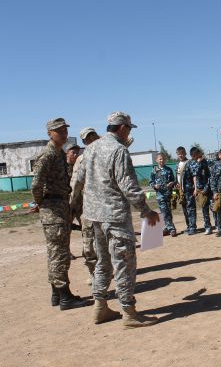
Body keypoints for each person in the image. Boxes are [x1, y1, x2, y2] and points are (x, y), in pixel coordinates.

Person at [73, 112, 160, 328]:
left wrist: (72, 205)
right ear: (122, 127)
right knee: (124, 263)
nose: (129, 133)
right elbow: (128, 186)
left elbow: (78, 180)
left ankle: (100, 307)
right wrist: (146, 210)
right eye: (129, 128)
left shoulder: (90, 148)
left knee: (103, 262)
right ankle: (129, 313)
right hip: (115, 217)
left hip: (95, 216)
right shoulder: (119, 150)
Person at [31, 118, 92, 311]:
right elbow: (36, 185)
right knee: (59, 254)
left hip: (59, 206)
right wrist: (41, 202)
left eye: (65, 130)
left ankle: (57, 294)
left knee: (57, 252)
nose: (64, 134)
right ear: (50, 133)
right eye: (59, 131)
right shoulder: (47, 154)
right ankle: (65, 297)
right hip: (53, 209)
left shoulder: (58, 153)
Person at [70, 127, 100, 285]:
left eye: (92, 136)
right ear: (84, 142)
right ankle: (94, 273)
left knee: (108, 242)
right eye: (87, 139)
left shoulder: (109, 153)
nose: (91, 140)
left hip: (107, 208)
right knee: (88, 243)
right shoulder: (82, 159)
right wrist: (71, 204)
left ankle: (105, 271)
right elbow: (75, 183)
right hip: (88, 208)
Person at [149, 153, 177, 237]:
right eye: (160, 159)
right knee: (163, 211)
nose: (162, 160)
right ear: (157, 160)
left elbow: (173, 180)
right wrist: (154, 186)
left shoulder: (169, 170)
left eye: (163, 159)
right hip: (160, 194)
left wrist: (171, 183)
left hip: (168, 194)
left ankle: (169, 228)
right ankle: (170, 228)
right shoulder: (154, 170)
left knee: (168, 211)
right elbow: (151, 182)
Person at [175, 147, 197, 235]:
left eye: (182, 153)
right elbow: (177, 177)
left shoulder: (190, 163)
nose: (181, 155)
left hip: (189, 190)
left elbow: (194, 176)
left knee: (191, 209)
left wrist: (195, 188)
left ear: (185, 154)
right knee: (185, 210)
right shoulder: (177, 165)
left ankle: (193, 227)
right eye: (179, 154)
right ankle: (189, 226)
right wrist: (176, 184)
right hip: (181, 191)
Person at [191, 147, 212, 234]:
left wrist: (208, 186)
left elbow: (211, 175)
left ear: (199, 153)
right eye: (193, 156)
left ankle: (218, 225)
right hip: (200, 189)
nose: (195, 157)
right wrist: (196, 189)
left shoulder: (207, 162)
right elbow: (194, 176)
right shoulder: (193, 164)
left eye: (196, 155)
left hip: (210, 188)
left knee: (214, 207)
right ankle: (208, 227)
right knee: (204, 209)